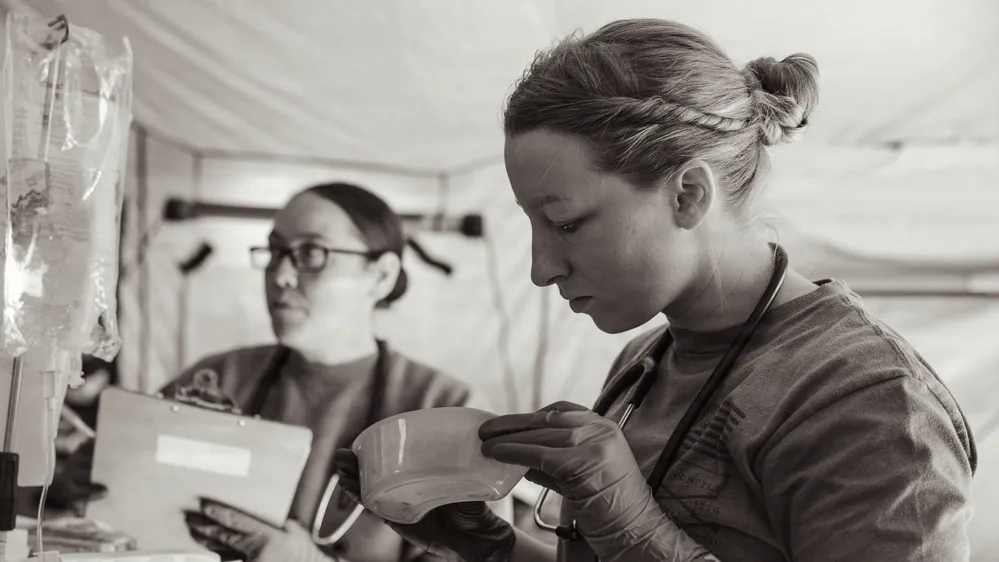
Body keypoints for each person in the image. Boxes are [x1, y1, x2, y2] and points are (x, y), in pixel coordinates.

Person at [333, 18, 977, 562]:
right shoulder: (646, 360)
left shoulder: (866, 406)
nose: (540, 268)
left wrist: (637, 533)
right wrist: (496, 550)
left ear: (689, 194)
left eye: (566, 223)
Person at [51, 182, 510, 562]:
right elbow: (120, 510)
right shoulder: (216, 378)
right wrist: (74, 489)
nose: (280, 275)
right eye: (274, 252)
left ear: (382, 276)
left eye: (311, 253)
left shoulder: (444, 408)